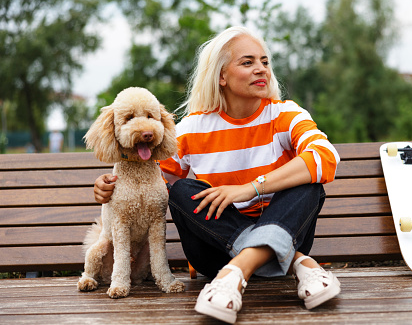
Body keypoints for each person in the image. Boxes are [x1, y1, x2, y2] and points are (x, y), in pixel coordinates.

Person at [94, 26, 341, 324]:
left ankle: (234, 274)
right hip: (214, 251)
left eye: (264, 61)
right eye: (247, 62)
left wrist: (250, 189)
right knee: (182, 191)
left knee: (309, 185)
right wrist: (109, 187)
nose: (261, 69)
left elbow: (325, 158)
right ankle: (301, 264)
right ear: (221, 76)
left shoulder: (286, 115)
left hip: (283, 231)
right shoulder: (192, 129)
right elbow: (153, 184)